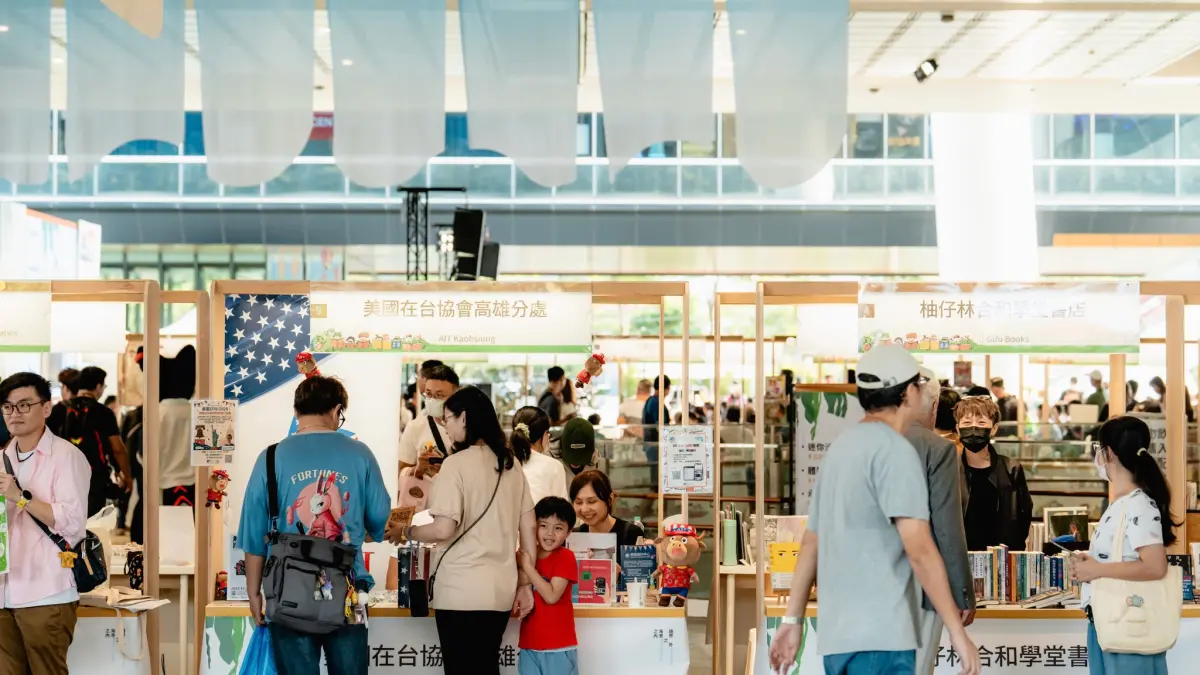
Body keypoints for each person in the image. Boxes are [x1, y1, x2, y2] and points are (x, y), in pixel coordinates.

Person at [768, 344, 980, 675]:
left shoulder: (840, 447)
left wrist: (792, 619)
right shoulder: (895, 451)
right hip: (884, 635)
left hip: (839, 635)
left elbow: (812, 540)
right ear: (909, 393)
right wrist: (956, 630)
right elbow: (920, 549)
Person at [239, 376, 390, 674]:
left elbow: (254, 535)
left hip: (286, 592)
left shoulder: (270, 458)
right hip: (349, 591)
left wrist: (253, 593)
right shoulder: (361, 454)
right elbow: (380, 519)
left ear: (296, 412)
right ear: (336, 411)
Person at [387, 386, 536, 675]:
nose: (445, 425)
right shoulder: (511, 464)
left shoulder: (455, 465)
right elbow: (528, 527)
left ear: (464, 418)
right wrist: (525, 583)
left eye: (448, 418)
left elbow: (443, 529)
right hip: (500, 591)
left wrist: (406, 532)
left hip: (460, 589)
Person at [0, 372, 91, 675]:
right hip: (4, 590)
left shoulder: (66, 457)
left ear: (47, 408)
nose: (15, 414)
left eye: (25, 405)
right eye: (8, 407)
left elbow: (73, 523)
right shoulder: (1, 459)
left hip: (46, 590)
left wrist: (20, 497)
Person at [1071, 415, 1177, 675]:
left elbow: (1154, 567)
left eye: (1098, 449)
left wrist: (1097, 570)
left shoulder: (1138, 504)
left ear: (1109, 453)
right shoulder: (1123, 504)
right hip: (1109, 623)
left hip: (1129, 624)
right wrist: (1093, 562)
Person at [906, 377, 975, 675]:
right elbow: (947, 526)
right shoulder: (938, 449)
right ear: (934, 407)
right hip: (921, 588)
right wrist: (962, 591)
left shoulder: (857, 443)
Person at [956, 396, 1033, 552]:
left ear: (994, 429)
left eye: (981, 423)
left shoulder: (1011, 469)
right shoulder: (948, 469)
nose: (973, 428)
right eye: (966, 423)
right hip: (961, 559)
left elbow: (1023, 516)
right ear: (957, 429)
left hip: (1002, 561)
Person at [517, 496, 579, 675]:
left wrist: (528, 568)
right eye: (543, 525)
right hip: (529, 645)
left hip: (558, 646)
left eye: (558, 528)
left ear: (568, 532)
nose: (549, 534)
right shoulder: (525, 555)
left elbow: (551, 596)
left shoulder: (565, 557)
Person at [64, 367, 133, 515]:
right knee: (92, 523)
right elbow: (117, 449)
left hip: (63, 477)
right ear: (98, 387)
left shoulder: (61, 410)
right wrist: (126, 475)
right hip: (94, 479)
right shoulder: (104, 413)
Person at [397, 364, 458, 477]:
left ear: (455, 395)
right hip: (427, 493)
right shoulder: (415, 427)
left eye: (439, 395)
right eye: (428, 394)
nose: (432, 400)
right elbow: (399, 472)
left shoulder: (468, 428)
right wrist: (418, 469)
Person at [570, 469, 644, 547]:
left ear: (609, 500)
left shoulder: (631, 533)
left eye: (591, 501)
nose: (584, 509)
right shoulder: (574, 536)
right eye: (579, 502)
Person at [511, 406, 569, 504]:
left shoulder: (505, 462)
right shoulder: (553, 466)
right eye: (548, 433)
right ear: (544, 434)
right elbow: (561, 512)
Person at [642, 375, 670, 486]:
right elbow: (661, 426)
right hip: (656, 447)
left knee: (657, 484)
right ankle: (643, 504)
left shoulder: (651, 401)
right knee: (657, 484)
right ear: (667, 388)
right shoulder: (656, 403)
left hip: (652, 446)